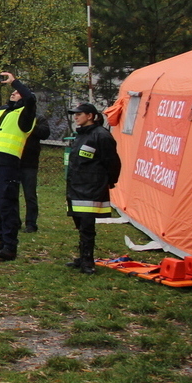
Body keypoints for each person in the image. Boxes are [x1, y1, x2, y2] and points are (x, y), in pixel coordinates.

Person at [0, 72, 36, 261]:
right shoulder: (4, 111)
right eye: (13, 91)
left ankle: (10, 246)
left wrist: (15, 82)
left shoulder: (26, 114)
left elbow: (30, 98)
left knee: (7, 203)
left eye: (17, 92)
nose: (14, 93)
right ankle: (2, 240)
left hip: (9, 162)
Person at [64, 103, 122, 275]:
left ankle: (88, 261)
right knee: (80, 223)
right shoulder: (81, 135)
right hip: (76, 187)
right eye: (74, 114)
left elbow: (113, 163)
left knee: (87, 225)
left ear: (90, 116)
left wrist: (108, 182)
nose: (75, 117)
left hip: (91, 188)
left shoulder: (101, 136)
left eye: (79, 114)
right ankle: (82, 257)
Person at [20, 115, 51, 232]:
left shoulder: (38, 119)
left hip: (29, 163)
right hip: (13, 161)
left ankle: (31, 223)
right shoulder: (12, 116)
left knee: (30, 195)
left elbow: (45, 133)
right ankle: (14, 222)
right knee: (10, 195)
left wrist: (30, 123)